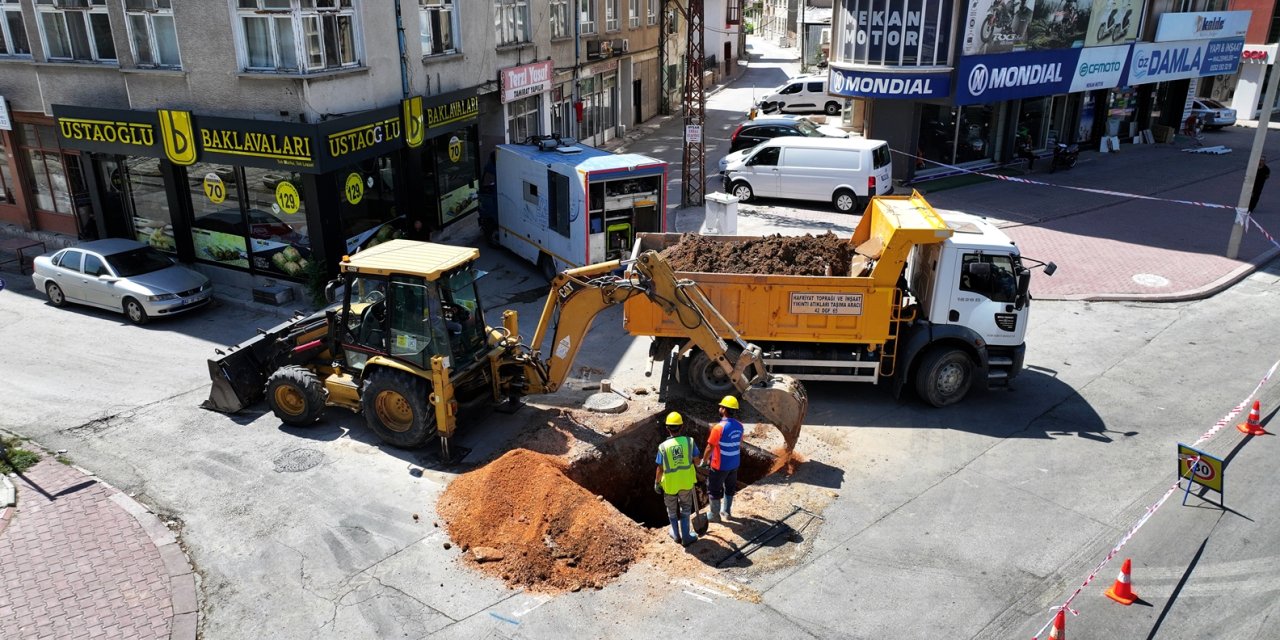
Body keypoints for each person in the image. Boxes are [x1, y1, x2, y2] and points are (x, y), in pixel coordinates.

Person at [654, 412, 701, 545]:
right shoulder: (689, 442)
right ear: (681, 427)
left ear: (667, 428)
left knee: (671, 510)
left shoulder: (663, 447)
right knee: (686, 508)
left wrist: (657, 483)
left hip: (669, 485)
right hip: (686, 482)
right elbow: (697, 462)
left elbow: (660, 469)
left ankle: (676, 534)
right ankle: (686, 537)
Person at [704, 395, 745, 522]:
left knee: (714, 489)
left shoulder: (718, 428)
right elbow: (738, 441)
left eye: (721, 406)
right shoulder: (739, 426)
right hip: (734, 463)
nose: (720, 408)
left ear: (724, 410)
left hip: (720, 465)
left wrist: (704, 460)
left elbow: (710, 447)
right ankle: (726, 512)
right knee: (729, 487)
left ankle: (714, 515)